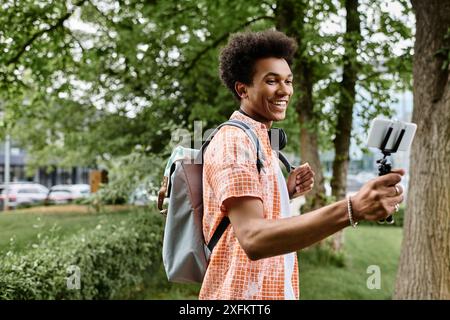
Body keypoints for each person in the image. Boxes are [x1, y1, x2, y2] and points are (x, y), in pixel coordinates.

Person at [199, 29, 404, 300]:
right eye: (272, 81)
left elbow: (248, 213)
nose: (285, 90)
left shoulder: (260, 140)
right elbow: (252, 237)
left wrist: (284, 191)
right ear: (242, 89)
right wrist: (352, 209)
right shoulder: (234, 143)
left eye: (288, 81)